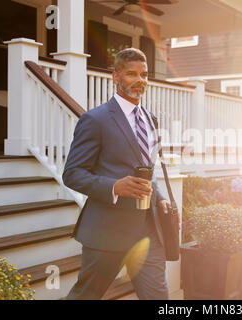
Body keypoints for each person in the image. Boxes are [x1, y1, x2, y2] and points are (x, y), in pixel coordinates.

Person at [63, 48, 175, 300]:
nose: (140, 80)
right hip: (107, 232)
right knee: (86, 295)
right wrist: (115, 186)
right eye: (131, 74)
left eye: (144, 74)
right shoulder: (95, 119)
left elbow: (148, 167)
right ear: (116, 77)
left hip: (149, 230)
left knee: (159, 297)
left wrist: (159, 197)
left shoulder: (151, 119)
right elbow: (72, 174)